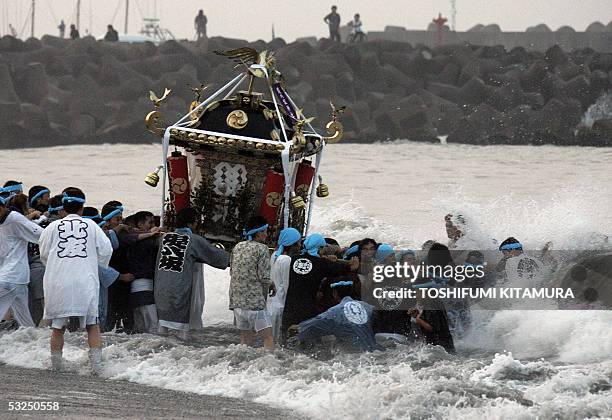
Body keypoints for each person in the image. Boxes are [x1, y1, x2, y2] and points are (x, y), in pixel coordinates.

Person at [38, 189, 113, 374]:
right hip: (84, 281)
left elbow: (44, 253)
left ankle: (57, 365)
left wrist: (56, 265)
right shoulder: (92, 225)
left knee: (57, 326)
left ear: (63, 207)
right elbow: (106, 251)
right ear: (82, 208)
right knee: (91, 324)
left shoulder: (52, 227)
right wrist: (93, 263)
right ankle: (96, 367)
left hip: (58, 281)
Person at [155, 208, 229, 340]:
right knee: (182, 335)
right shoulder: (193, 240)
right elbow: (216, 255)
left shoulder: (165, 238)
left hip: (161, 292)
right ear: (191, 223)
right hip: (180, 292)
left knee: (162, 332)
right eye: (196, 221)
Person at [281, 233, 359, 343]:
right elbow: (346, 268)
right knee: (308, 345)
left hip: (289, 308)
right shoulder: (321, 263)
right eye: (323, 248)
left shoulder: (292, 259)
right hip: (307, 309)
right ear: (319, 248)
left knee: (286, 342)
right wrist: (353, 264)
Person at [290, 280, 383, 352]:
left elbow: (314, 323)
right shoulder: (368, 307)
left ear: (335, 293)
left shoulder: (333, 312)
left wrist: (299, 327)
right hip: (374, 350)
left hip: (355, 354)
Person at [229, 216, 276, 350]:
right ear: (258, 232)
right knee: (268, 337)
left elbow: (232, 271)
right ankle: (271, 365)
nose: (266, 234)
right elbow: (264, 277)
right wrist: (272, 284)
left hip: (237, 303)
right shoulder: (262, 249)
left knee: (245, 340)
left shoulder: (238, 246)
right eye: (265, 231)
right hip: (254, 305)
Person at [0, 190, 43, 328]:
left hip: (10, 278)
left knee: (25, 325)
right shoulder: (10, 220)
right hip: (17, 279)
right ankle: (34, 347)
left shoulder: (14, 218)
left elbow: (42, 235)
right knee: (27, 327)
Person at [121, 211, 161, 333]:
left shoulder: (137, 241)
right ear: (140, 224)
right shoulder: (146, 242)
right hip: (144, 289)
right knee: (154, 328)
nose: (154, 225)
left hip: (137, 290)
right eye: (150, 222)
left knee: (141, 330)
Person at [266, 227, 302, 343]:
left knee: (268, 341)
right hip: (280, 305)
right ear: (293, 244)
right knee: (277, 343)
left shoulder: (275, 255)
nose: (300, 245)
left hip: (270, 304)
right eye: (298, 242)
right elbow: (287, 285)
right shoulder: (286, 260)